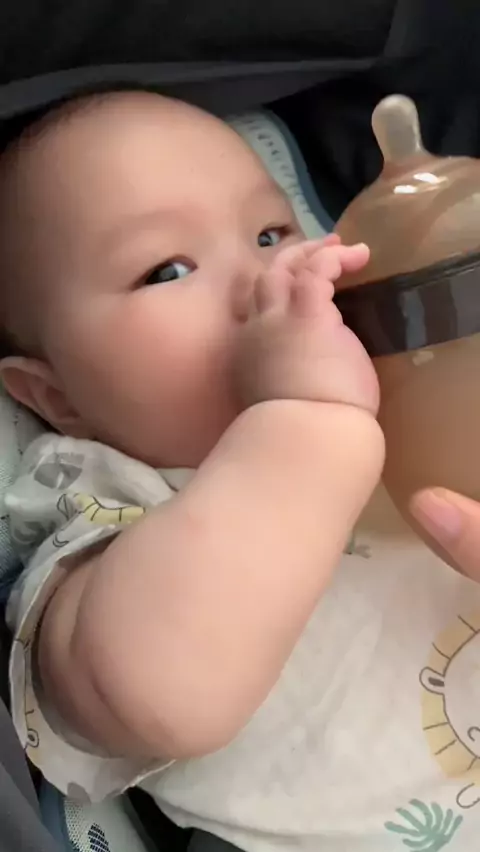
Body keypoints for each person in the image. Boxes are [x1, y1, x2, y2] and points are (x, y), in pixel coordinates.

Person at [0, 87, 478, 852]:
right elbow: (159, 690)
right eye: (166, 269)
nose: (266, 278)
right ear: (58, 398)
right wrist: (305, 422)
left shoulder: (412, 403)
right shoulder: (108, 510)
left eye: (270, 233)